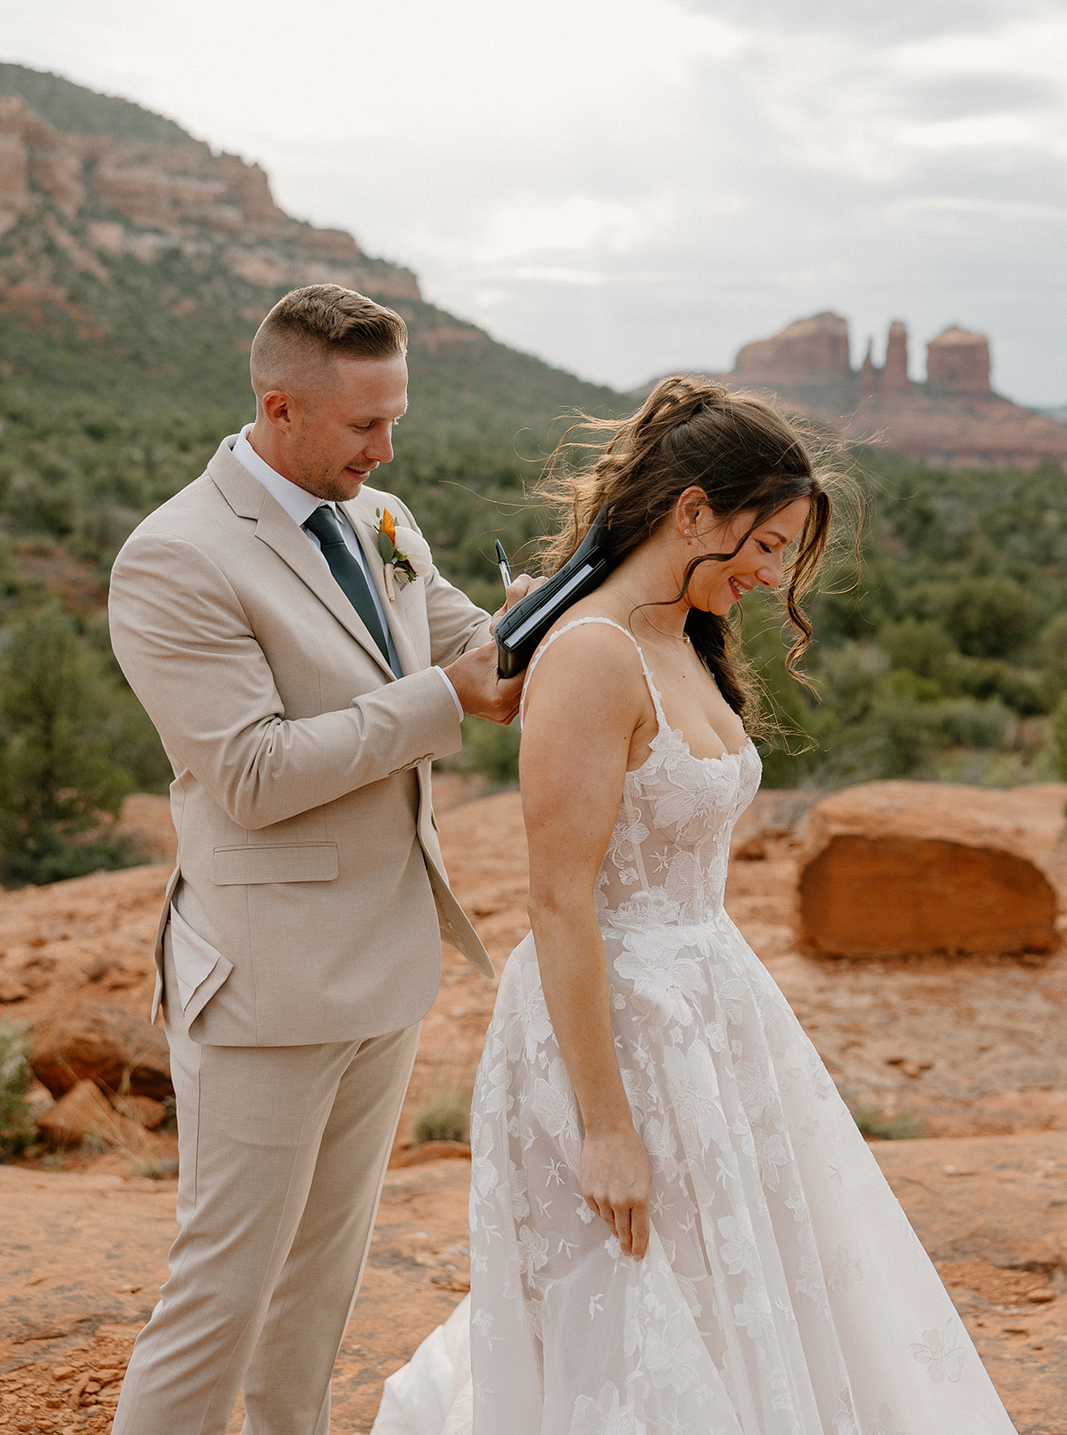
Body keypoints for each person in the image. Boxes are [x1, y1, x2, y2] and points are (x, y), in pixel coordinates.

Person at [373, 377, 1016, 1434]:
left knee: (732, 1299)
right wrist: (604, 1128)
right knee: (632, 1313)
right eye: (763, 545)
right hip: (610, 1035)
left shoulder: (678, 636)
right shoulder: (592, 653)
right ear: (690, 515)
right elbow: (554, 900)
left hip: (713, 1021)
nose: (770, 575)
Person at [107, 284, 535, 1435]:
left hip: (384, 960)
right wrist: (446, 698)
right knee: (221, 1299)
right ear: (278, 405)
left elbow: (462, 640)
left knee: (317, 1295)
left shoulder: (379, 515)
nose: (384, 448)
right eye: (361, 425)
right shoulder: (175, 557)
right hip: (263, 981)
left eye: (393, 419)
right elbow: (248, 772)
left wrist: (562, 622)